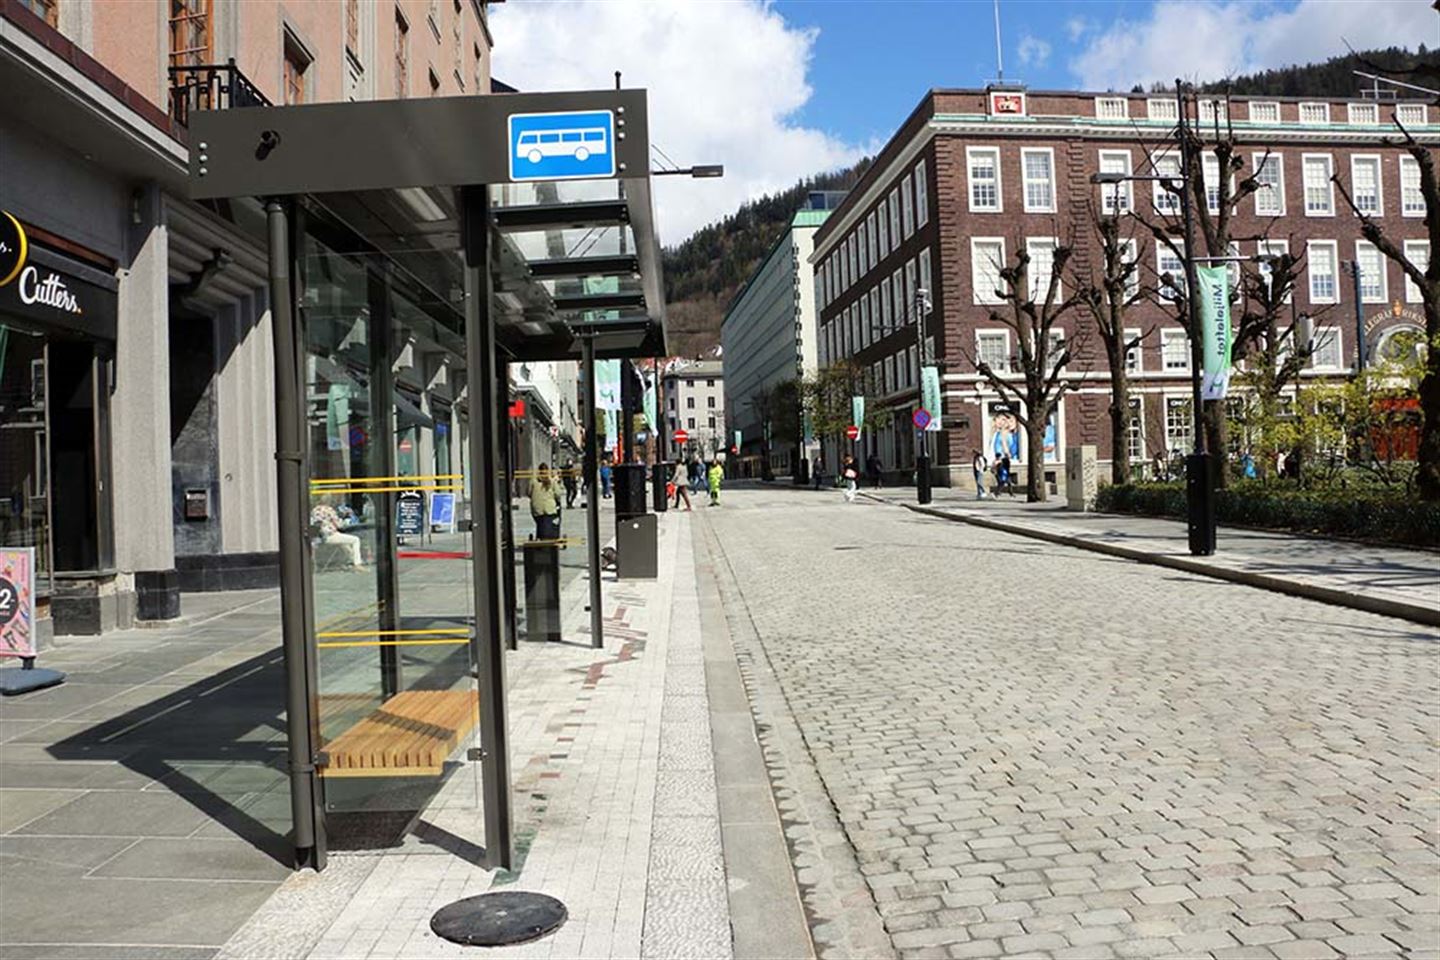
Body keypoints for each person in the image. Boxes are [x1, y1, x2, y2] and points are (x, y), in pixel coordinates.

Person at [311, 502, 365, 569]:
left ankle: (352, 561)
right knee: (355, 540)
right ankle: (357, 564)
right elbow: (339, 525)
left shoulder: (314, 510)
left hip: (319, 537)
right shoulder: (329, 510)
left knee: (344, 544)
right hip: (330, 535)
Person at [529, 462, 562, 540]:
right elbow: (558, 494)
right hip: (549, 509)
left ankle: (539, 537)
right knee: (549, 521)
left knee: (540, 523)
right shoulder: (552, 481)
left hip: (536, 510)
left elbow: (529, 493)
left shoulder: (533, 481)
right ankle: (548, 537)